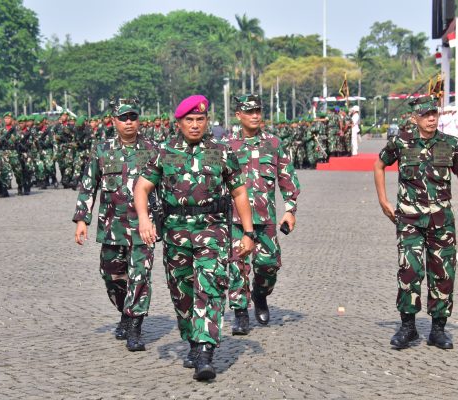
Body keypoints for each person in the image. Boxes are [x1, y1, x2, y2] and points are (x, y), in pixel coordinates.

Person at [133, 94, 255, 381]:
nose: (196, 124)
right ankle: (191, 338)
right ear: (179, 123)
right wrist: (143, 219)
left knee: (210, 287)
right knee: (183, 294)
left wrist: (248, 233)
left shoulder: (221, 152)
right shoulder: (163, 153)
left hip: (212, 230)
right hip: (176, 232)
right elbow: (142, 188)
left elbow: (239, 192)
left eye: (200, 119)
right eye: (190, 120)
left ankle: (204, 350)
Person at [373, 95, 458, 350]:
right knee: (409, 272)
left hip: (441, 221)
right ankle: (408, 327)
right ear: (415, 118)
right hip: (409, 219)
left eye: (434, 113)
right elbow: (379, 166)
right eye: (425, 115)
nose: (431, 118)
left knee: (443, 273)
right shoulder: (401, 142)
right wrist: (383, 201)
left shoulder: (450, 143)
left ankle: (438, 330)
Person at [73, 99, 158, 352]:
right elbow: (89, 185)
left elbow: (164, 187)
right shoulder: (102, 150)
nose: (129, 122)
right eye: (124, 118)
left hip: (143, 227)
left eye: (133, 116)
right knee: (111, 275)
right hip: (112, 226)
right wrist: (81, 220)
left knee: (140, 275)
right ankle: (125, 310)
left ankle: (135, 326)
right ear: (114, 121)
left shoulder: (153, 150)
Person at [224, 94, 300, 335]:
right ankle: (240, 314)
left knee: (268, 266)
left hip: (265, 219)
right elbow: (215, 180)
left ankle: (260, 294)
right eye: (249, 112)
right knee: (238, 267)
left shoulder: (274, 144)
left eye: (258, 111)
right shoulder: (226, 145)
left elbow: (287, 179)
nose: (255, 115)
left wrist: (290, 210)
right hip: (235, 220)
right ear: (238, 115)